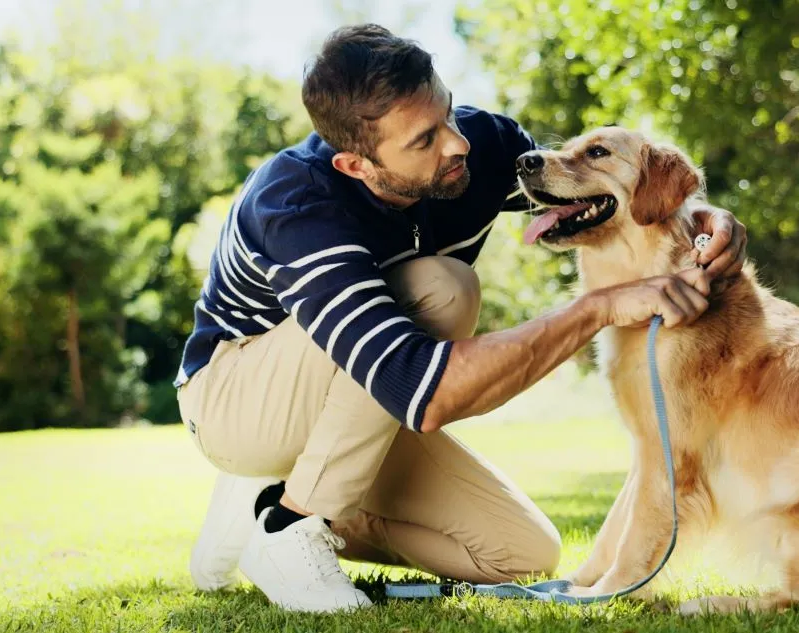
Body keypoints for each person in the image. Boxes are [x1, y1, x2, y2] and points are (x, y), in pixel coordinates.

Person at [175, 23, 748, 613]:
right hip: (233, 398)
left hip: (355, 397)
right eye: (425, 139)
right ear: (355, 164)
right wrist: (598, 307)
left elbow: (603, 191)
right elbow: (418, 389)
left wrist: (701, 219)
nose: (456, 144)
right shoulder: (299, 207)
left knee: (521, 552)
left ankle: (268, 501)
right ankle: (291, 527)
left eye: (446, 112)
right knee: (442, 288)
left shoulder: (482, 147)